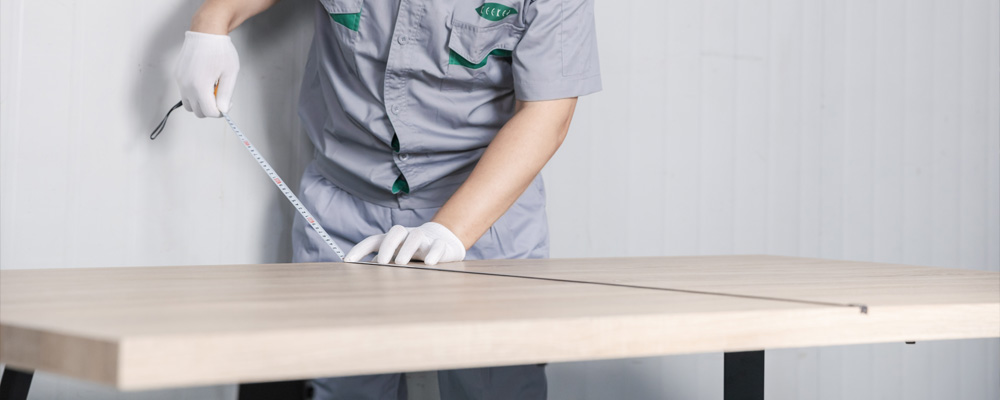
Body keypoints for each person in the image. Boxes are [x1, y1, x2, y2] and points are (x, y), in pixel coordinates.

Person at [174, 0, 600, 398]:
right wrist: (212, 22)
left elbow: (547, 115)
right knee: (340, 385)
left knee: (497, 385)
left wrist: (450, 230)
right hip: (343, 207)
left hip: (487, 212)